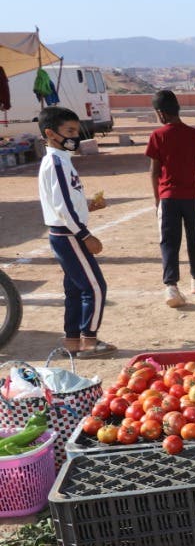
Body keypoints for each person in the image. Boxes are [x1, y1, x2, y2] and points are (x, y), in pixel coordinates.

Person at [38, 106, 114, 358]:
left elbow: (64, 201)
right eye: (69, 131)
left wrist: (88, 206)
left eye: (76, 131)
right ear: (50, 133)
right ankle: (89, 341)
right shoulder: (56, 163)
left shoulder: (61, 160)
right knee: (95, 288)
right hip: (68, 235)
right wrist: (85, 235)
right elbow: (62, 207)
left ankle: (72, 342)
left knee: (75, 289)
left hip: (66, 232)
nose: (75, 136)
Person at [145, 90, 195, 309]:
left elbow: (154, 171)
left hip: (168, 197)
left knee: (169, 241)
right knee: (194, 237)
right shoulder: (193, 133)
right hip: (192, 196)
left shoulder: (157, 135)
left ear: (160, 113)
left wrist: (157, 199)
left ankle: (171, 285)